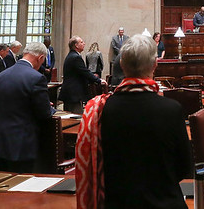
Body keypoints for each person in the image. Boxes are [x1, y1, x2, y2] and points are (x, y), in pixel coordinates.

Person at [75, 34, 192, 208]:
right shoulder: (171, 110)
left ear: (121, 64)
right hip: (164, 202)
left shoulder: (100, 109)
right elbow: (184, 168)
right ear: (155, 65)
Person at [0, 42, 55, 172]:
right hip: (22, 144)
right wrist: (50, 108)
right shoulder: (37, 78)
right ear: (40, 58)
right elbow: (44, 114)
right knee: (21, 188)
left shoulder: (2, 76)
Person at [59, 36, 103, 114]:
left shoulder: (72, 55)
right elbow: (85, 72)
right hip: (73, 94)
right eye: (82, 42)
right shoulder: (76, 57)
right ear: (76, 45)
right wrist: (98, 80)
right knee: (75, 118)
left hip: (70, 93)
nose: (84, 44)